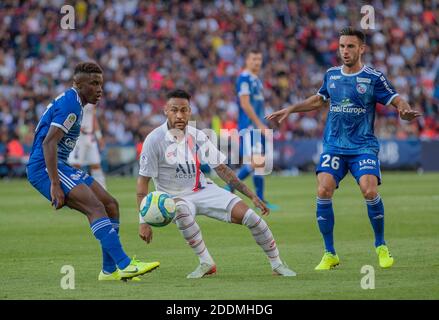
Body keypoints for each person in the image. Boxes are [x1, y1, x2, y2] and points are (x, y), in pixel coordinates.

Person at [266, 27, 422, 270]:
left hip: (363, 147)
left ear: (362, 49)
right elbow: (319, 99)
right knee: (323, 190)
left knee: (369, 192)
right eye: (341, 46)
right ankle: (330, 253)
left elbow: (396, 98)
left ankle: (381, 246)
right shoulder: (332, 75)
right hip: (334, 146)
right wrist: (290, 109)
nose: (345, 51)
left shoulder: (373, 77)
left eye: (350, 46)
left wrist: (403, 109)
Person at [136, 89, 295, 278]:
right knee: (181, 211)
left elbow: (222, 170)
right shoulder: (154, 140)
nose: (179, 115)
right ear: (165, 110)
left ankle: (277, 265)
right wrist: (143, 221)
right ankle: (206, 262)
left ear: (190, 111)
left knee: (253, 218)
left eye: (184, 110)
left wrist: (252, 195)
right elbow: (142, 184)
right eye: (174, 110)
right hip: (174, 197)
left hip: (203, 190)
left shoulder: (198, 135)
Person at [26, 62, 159, 281]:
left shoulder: (76, 103)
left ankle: (109, 271)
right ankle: (125, 264)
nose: (99, 89)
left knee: (110, 205)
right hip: (45, 168)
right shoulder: (71, 105)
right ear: (78, 84)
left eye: (101, 84)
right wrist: (55, 184)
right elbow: (48, 143)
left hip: (61, 166)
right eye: (94, 84)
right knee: (95, 207)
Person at [225, 49, 278, 210]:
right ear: (247, 61)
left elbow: (258, 106)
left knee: (259, 163)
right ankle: (229, 187)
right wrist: (259, 124)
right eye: (253, 58)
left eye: (259, 59)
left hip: (257, 126)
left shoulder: (256, 80)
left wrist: (264, 122)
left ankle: (261, 199)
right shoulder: (244, 78)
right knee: (256, 162)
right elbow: (245, 104)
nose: (257, 62)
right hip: (249, 126)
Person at [68, 103, 107, 189]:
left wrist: (99, 136)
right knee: (75, 165)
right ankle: (74, 189)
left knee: (96, 164)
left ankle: (102, 190)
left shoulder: (92, 101)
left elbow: (93, 118)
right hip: (79, 137)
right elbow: (69, 115)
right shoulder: (76, 99)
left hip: (90, 137)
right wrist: (76, 126)